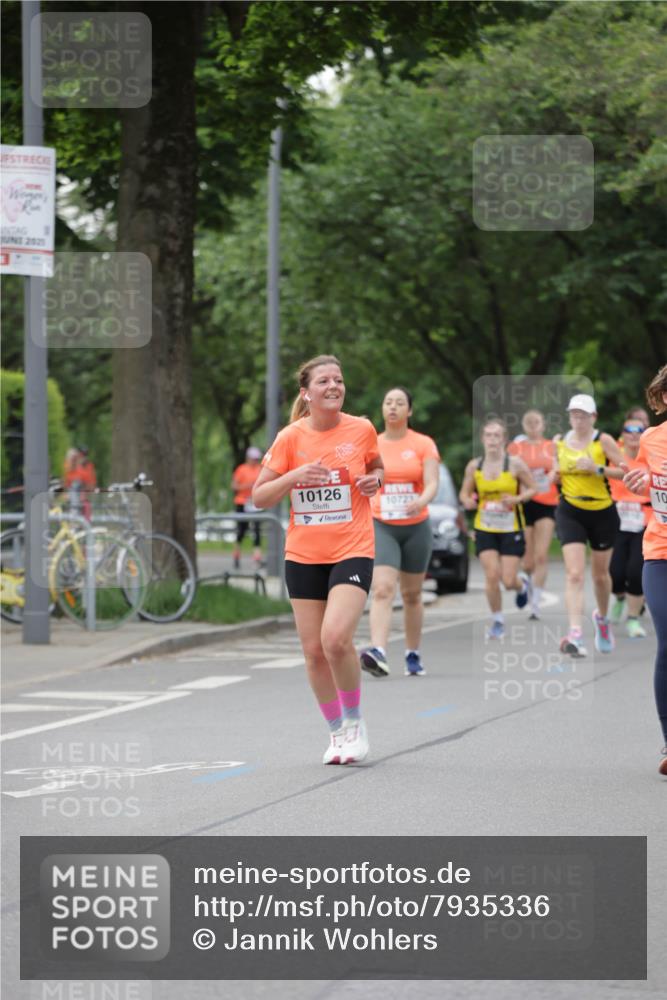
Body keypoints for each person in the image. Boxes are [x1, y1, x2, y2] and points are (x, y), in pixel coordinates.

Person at [252, 355, 383, 765]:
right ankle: (336, 732)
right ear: (306, 393)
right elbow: (259, 496)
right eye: (324, 381)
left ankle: (356, 723)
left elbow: (378, 468)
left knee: (335, 639)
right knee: (312, 651)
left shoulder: (361, 428)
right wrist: (294, 477)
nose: (333, 386)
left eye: (339, 380)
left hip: (352, 547)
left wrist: (375, 480)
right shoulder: (290, 437)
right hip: (304, 554)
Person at [359, 387, 440, 679]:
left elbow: (432, 482)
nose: (393, 407)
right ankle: (378, 652)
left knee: (412, 594)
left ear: (410, 411)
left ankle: (412, 653)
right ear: (382, 409)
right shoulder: (372, 444)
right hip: (382, 524)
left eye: (400, 403)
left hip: (416, 525)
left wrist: (421, 500)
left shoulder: (423, 444)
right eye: (388, 402)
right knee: (382, 588)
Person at [621, 365, 667, 775]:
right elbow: (646, 481)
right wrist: (641, 483)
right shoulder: (651, 439)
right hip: (659, 552)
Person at [554, 394, 624, 656]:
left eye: (583, 415)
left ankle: (602, 620)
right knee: (574, 573)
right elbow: (556, 471)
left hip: (602, 511)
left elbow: (625, 470)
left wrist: (597, 469)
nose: (578, 420)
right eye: (574, 414)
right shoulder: (560, 442)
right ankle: (575, 633)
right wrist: (552, 474)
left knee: (600, 576)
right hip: (570, 510)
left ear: (593, 417)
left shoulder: (602, 440)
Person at [459, 418, 536, 639]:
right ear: (483, 439)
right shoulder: (475, 466)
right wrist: (467, 501)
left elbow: (533, 488)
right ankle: (497, 621)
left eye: (497, 436)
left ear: (504, 440)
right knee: (492, 575)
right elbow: (464, 493)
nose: (492, 440)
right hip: (485, 527)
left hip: (511, 527)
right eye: (488, 435)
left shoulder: (515, 464)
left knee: (508, 580)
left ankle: (522, 586)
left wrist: (517, 498)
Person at [508, 409, 558, 620]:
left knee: (541, 554)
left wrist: (552, 476)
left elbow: (558, 469)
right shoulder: (515, 448)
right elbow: (508, 474)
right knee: (527, 558)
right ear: (524, 425)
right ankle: (526, 583)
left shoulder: (551, 447)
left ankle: (535, 603)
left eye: (536, 422)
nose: (533, 425)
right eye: (529, 422)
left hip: (547, 503)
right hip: (524, 503)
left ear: (543, 424)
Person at [609, 414, 650, 636]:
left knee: (635, 571)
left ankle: (633, 619)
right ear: (622, 436)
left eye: (639, 431)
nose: (634, 435)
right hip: (617, 520)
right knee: (614, 572)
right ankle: (619, 598)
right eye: (629, 431)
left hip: (645, 520)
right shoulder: (613, 458)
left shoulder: (651, 457)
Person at [231, 446, 263, 569]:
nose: (255, 461)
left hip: (255, 503)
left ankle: (257, 559)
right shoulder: (241, 469)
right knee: (241, 531)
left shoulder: (260, 469)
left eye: (256, 459)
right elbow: (234, 486)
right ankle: (236, 555)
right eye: (253, 459)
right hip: (242, 502)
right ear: (248, 458)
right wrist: (247, 486)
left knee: (257, 531)